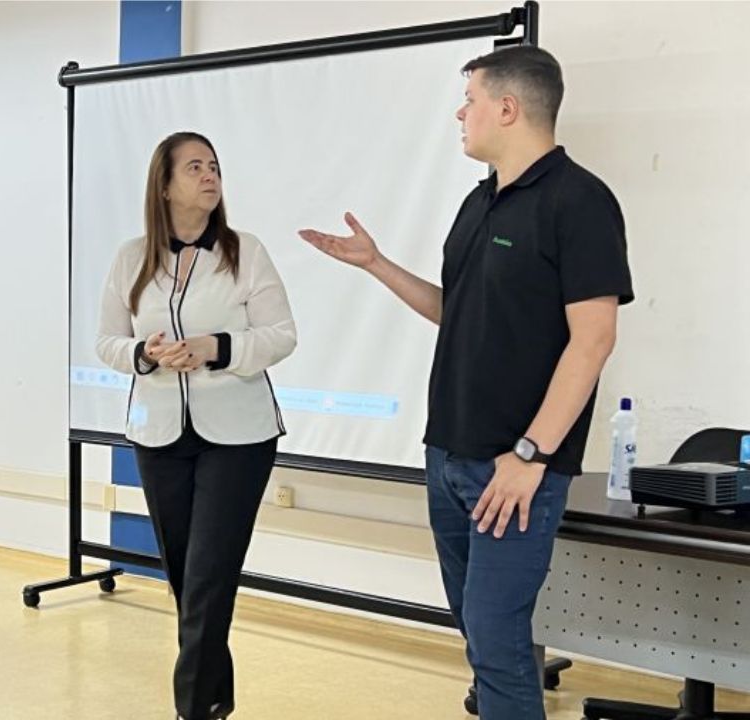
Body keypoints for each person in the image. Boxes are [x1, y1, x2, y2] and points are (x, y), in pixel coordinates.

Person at [300, 46, 632, 719]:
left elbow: (593, 340)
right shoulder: (478, 203)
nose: (460, 112)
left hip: (515, 467)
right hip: (448, 455)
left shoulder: (581, 202)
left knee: (499, 640)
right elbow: (459, 311)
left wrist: (530, 456)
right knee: (480, 635)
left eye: (470, 99)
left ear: (507, 108)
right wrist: (377, 265)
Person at [96, 131, 297, 720]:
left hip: (238, 437)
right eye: (194, 167)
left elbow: (281, 335)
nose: (209, 175)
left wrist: (217, 347)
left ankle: (191, 710)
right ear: (164, 185)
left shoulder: (246, 251)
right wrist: (144, 353)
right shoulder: (132, 257)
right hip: (159, 433)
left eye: (214, 166)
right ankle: (213, 701)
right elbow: (107, 339)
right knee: (188, 578)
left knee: (209, 576)